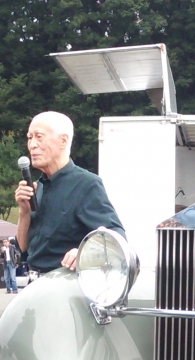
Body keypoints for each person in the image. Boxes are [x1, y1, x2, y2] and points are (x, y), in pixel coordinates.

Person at [14, 111, 123, 273]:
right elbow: (23, 250)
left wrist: (84, 252)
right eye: (30, 138)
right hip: (34, 280)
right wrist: (24, 212)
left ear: (63, 141)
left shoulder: (86, 184)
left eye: (39, 136)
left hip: (65, 280)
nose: (32, 145)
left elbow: (116, 236)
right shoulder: (38, 187)